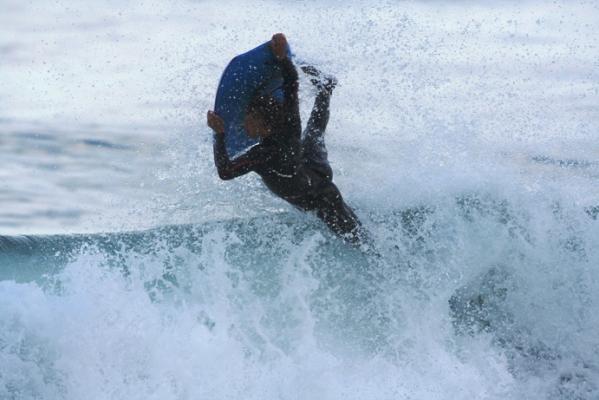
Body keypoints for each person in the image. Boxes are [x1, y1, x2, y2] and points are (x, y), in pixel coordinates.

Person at [207, 33, 365, 244]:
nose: (243, 122)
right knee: (314, 132)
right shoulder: (288, 123)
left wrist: (219, 134)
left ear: (263, 123)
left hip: (319, 196)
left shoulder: (263, 154)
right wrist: (282, 59)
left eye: (248, 117)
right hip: (308, 165)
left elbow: (225, 172)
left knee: (360, 243)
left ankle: (382, 261)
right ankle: (325, 90)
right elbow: (291, 85)